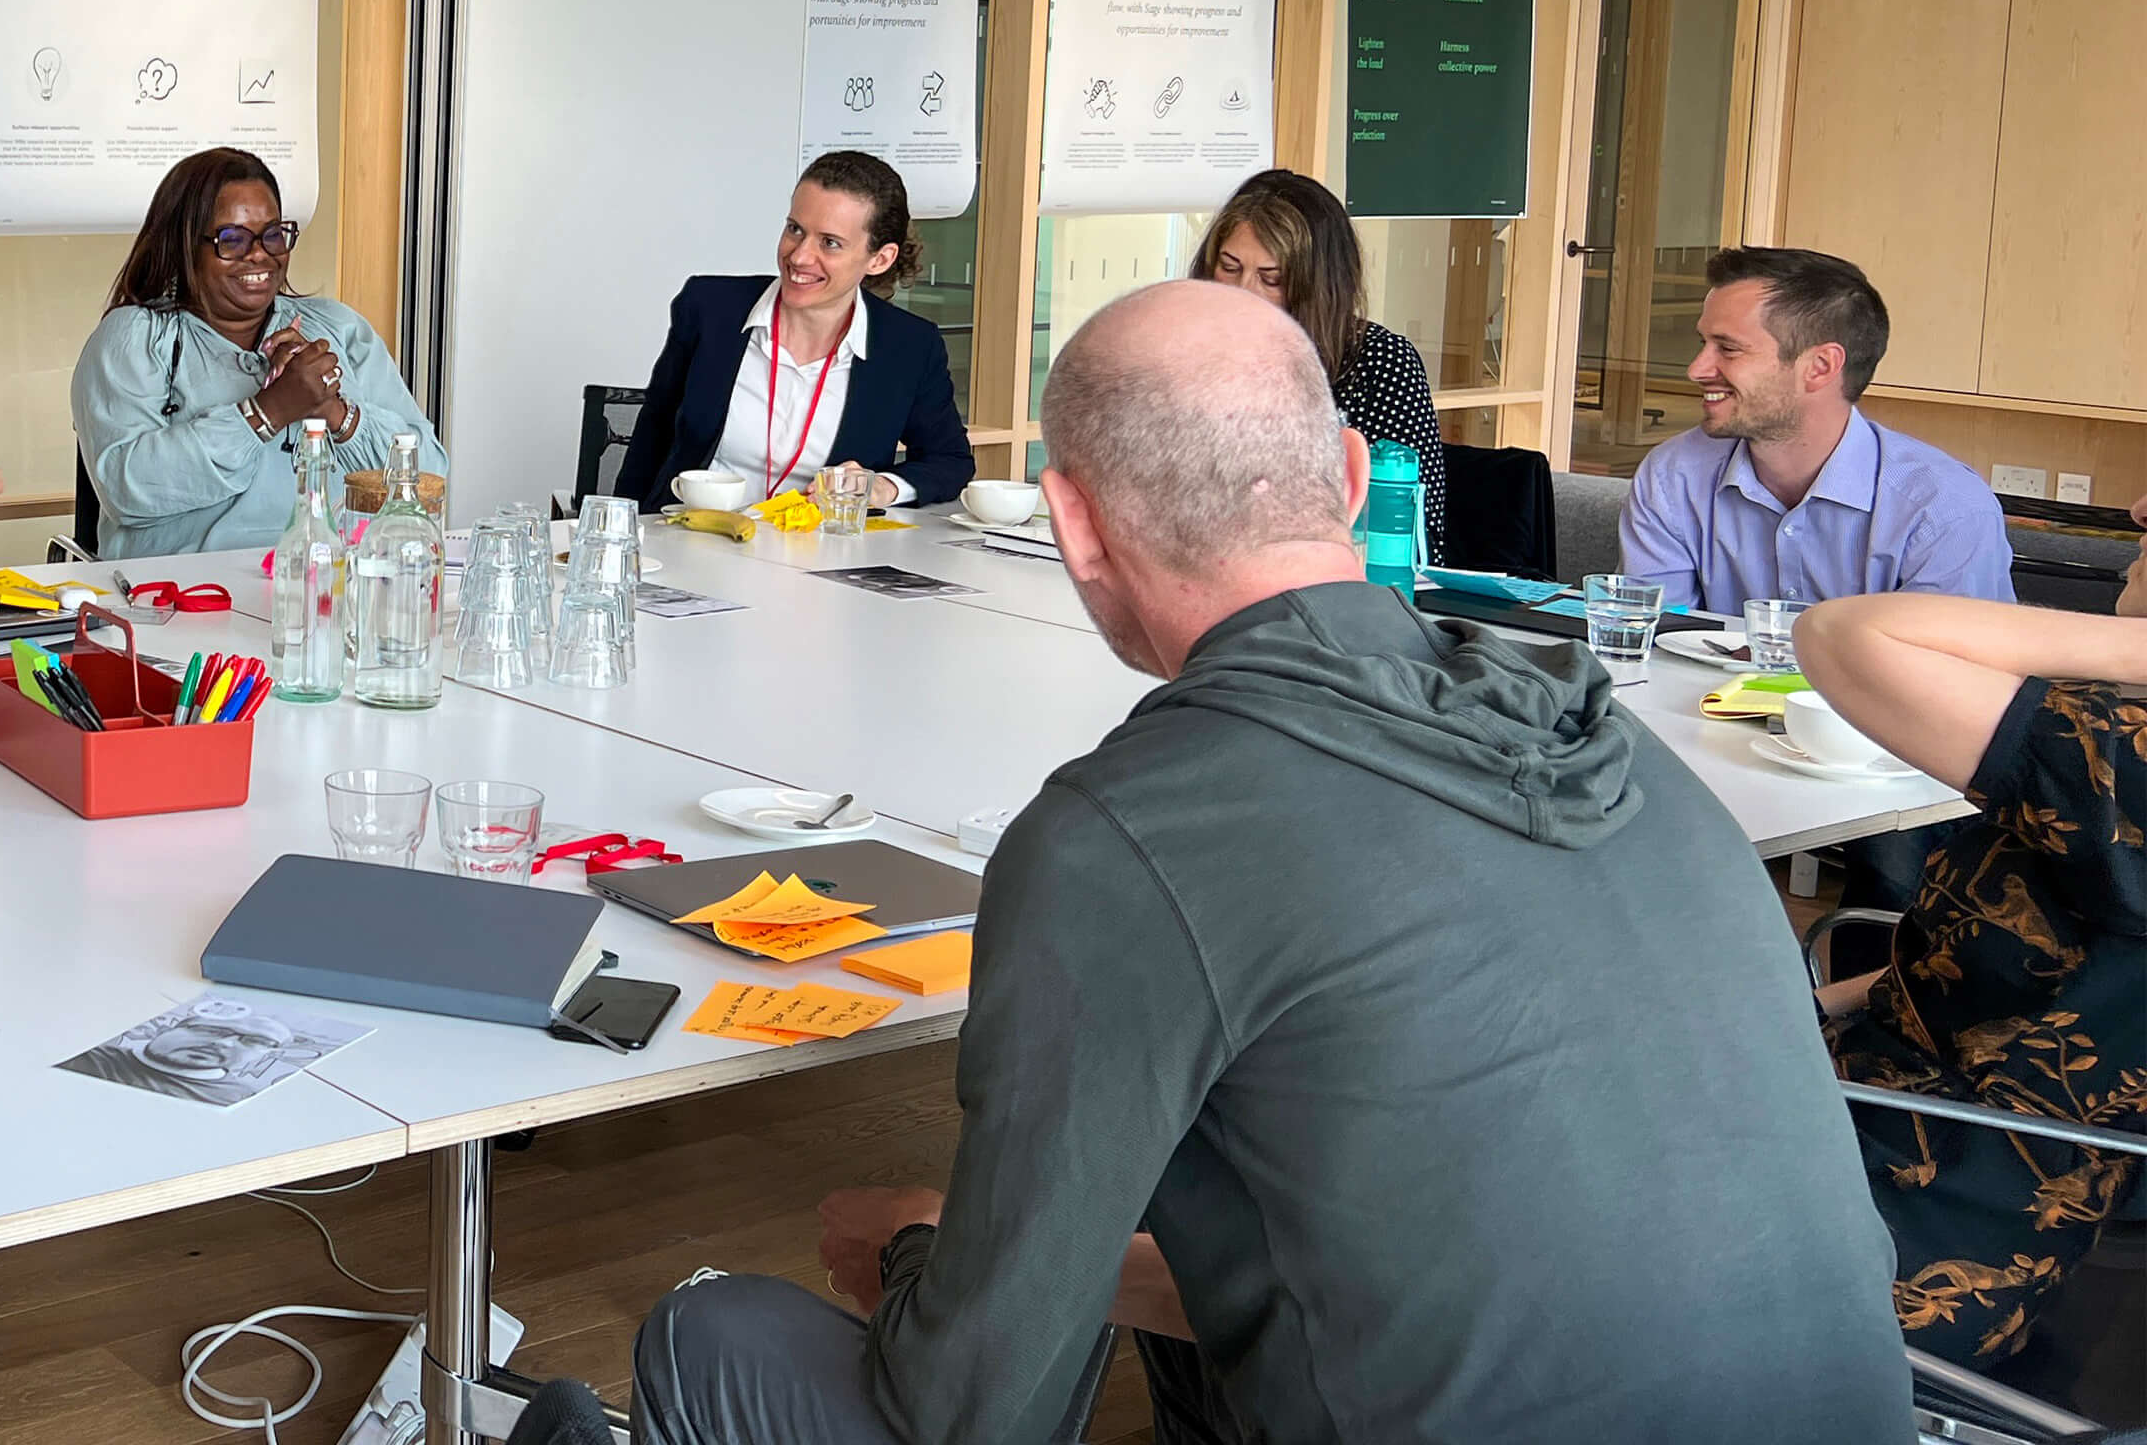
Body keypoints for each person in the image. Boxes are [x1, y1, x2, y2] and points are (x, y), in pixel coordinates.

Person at [627, 279, 1909, 1445]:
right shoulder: (1613, 747)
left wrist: (925, 1254)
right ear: (1355, 478)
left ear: (1070, 525)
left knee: (716, 1331)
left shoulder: (1126, 835)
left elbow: (970, 1406)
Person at [1793, 590, 2147, 1371]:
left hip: (1918, 1210)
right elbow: (2026, 970)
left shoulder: (2125, 758)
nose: (2140, 508)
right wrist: (1808, 1004)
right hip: (1861, 1098)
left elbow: (1844, 633)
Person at [71, 148, 438, 557]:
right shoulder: (136, 338)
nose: (260, 253)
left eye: (273, 234)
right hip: (177, 600)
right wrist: (269, 411)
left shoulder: (337, 329)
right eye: (232, 239)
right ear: (184, 246)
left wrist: (333, 411)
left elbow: (429, 481)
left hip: (320, 589)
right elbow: (128, 491)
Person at [1620, 245, 2011, 615]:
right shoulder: (1672, 476)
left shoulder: (1943, 509)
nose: (1696, 369)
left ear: (1820, 367)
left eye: (1729, 348)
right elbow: (1649, 638)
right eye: (1704, 343)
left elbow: (1948, 673)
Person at [614, 150, 972, 514]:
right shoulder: (709, 308)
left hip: (818, 557)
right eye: (795, 229)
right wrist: (619, 528)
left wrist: (880, 487)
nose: (799, 256)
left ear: (879, 259)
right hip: (693, 541)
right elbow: (654, 431)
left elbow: (950, 460)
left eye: (829, 243)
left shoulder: (909, 346)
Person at [1194, 166, 1442, 562]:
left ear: (1316, 289)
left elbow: (1405, 537)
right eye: (1229, 267)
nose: (1243, 293)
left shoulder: (1380, 363)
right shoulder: (1185, 354)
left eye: (1271, 279)